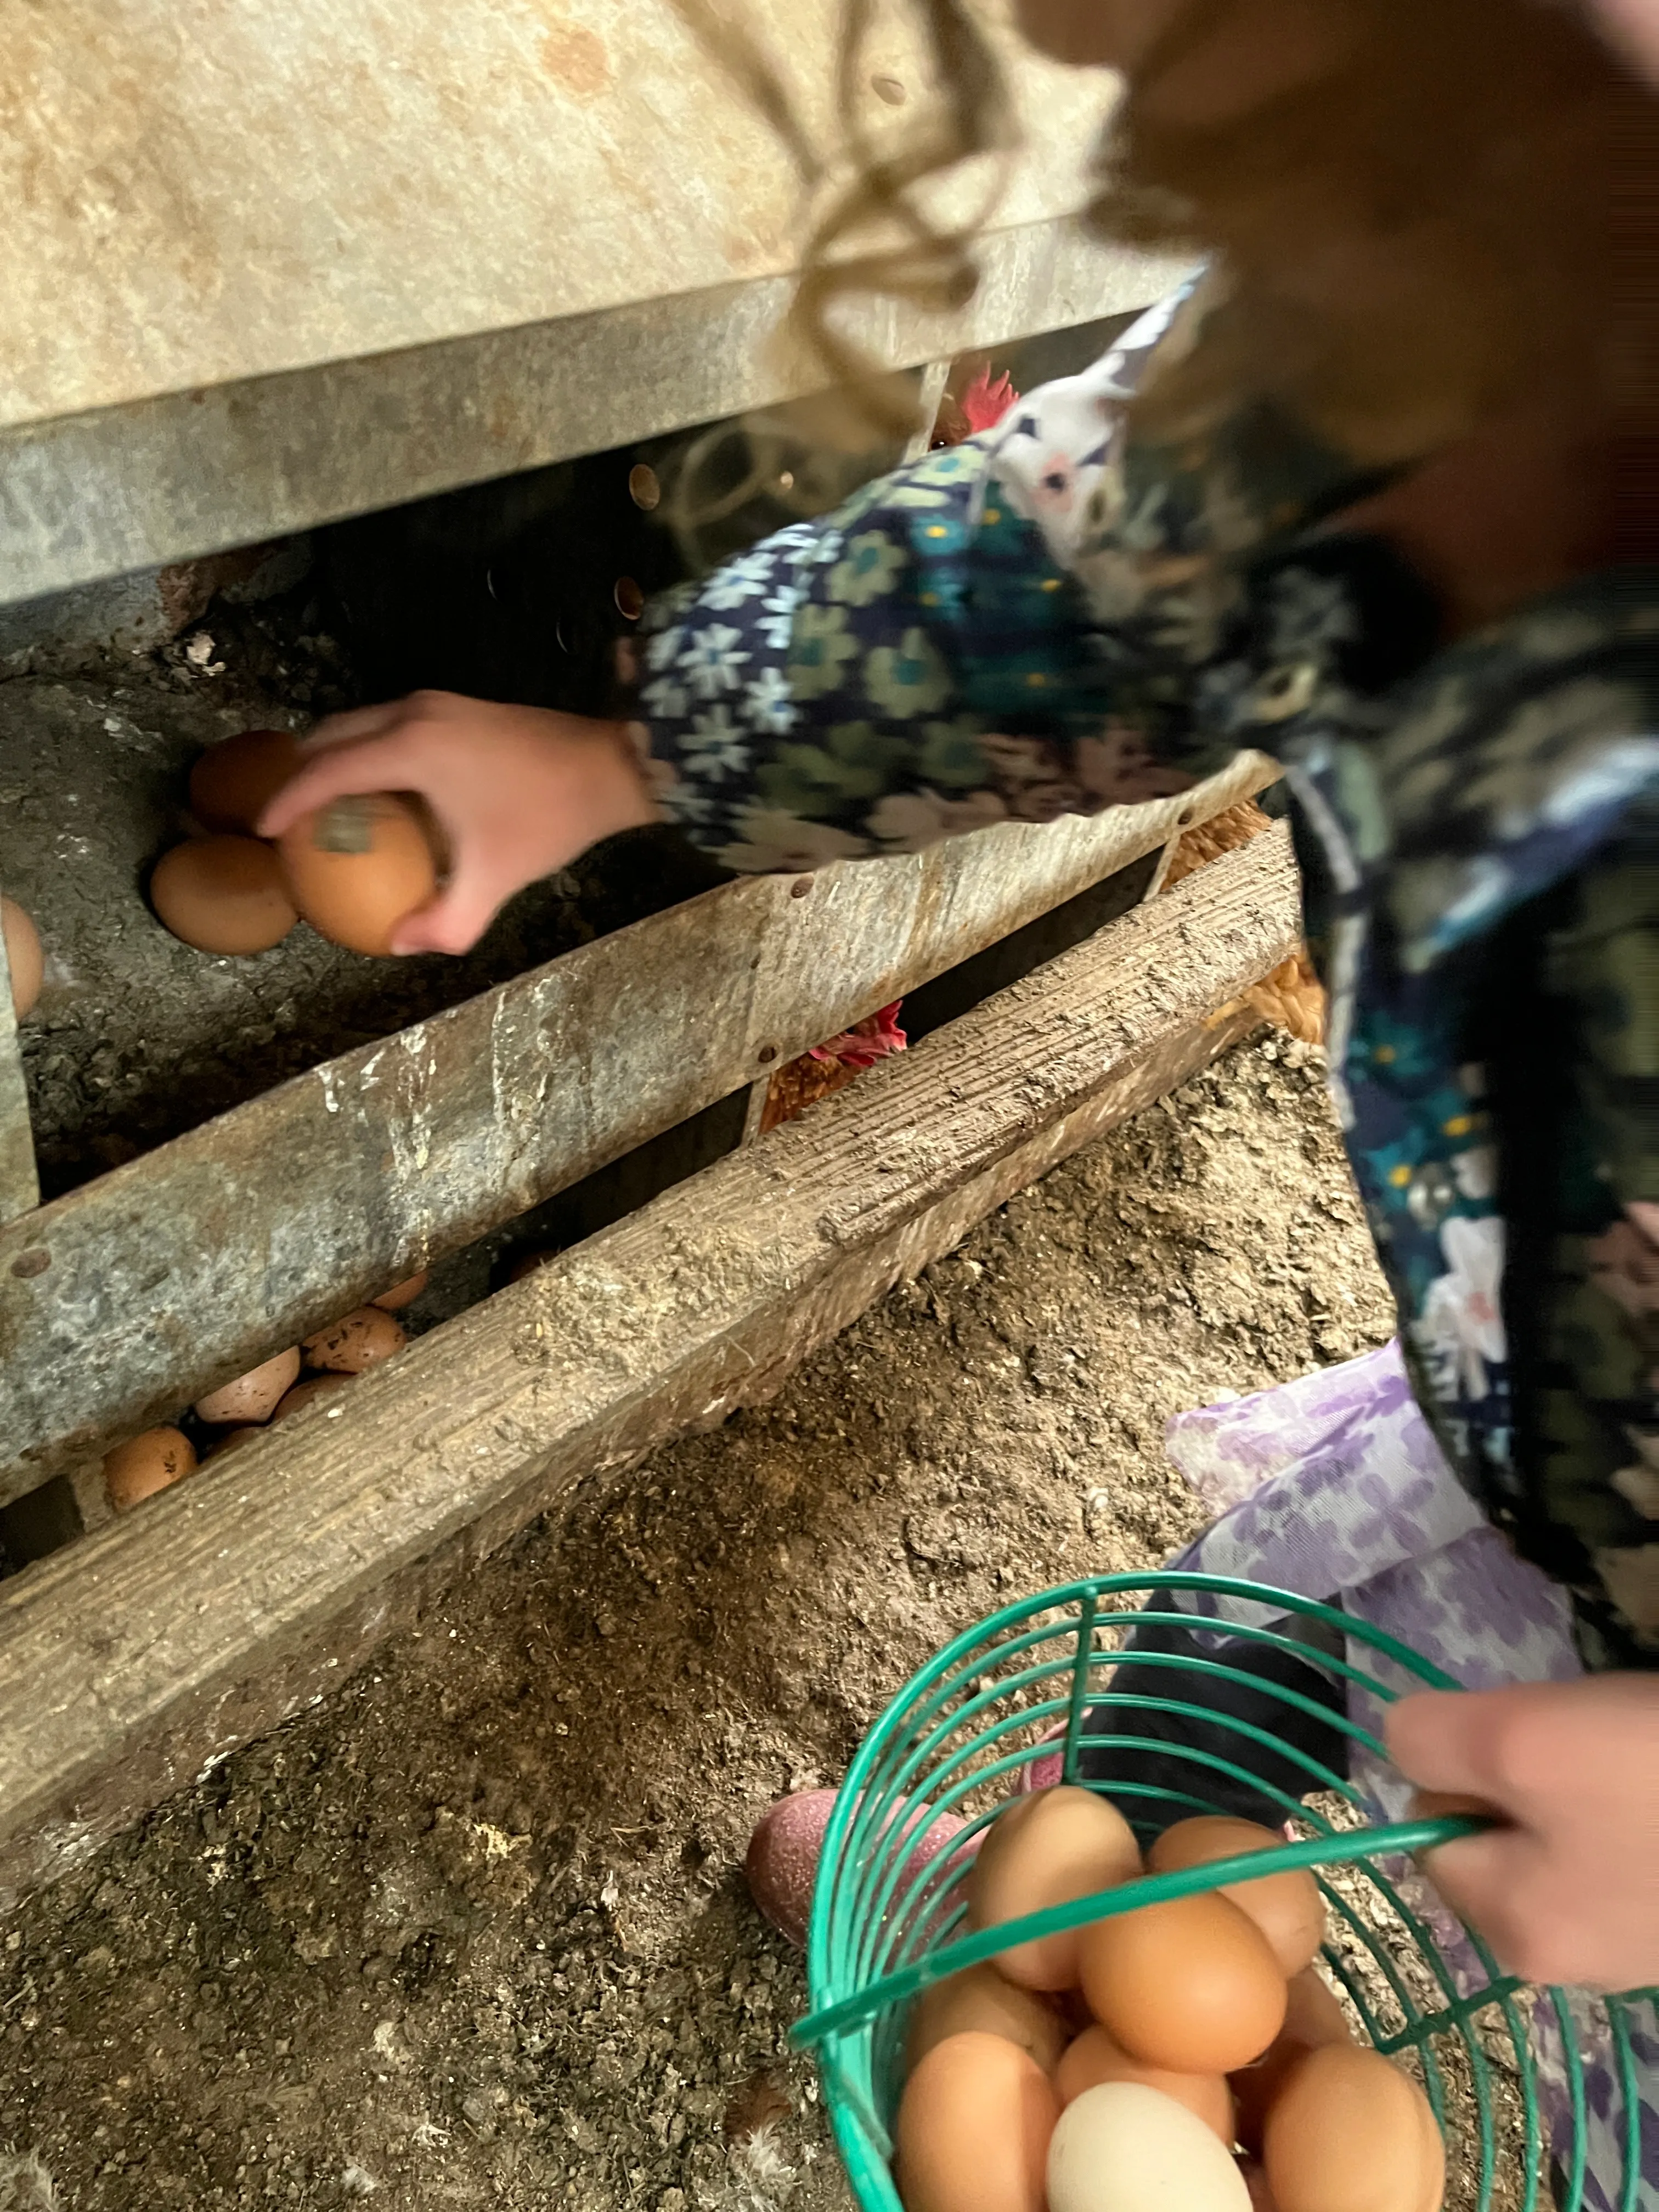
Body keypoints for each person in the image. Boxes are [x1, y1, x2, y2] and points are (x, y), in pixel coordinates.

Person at [261, 0, 1658, 2010]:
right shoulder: (1435, 265)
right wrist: (631, 753)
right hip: (1552, 1393)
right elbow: (1101, 576)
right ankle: (1071, 1914)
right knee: (1268, 1650)